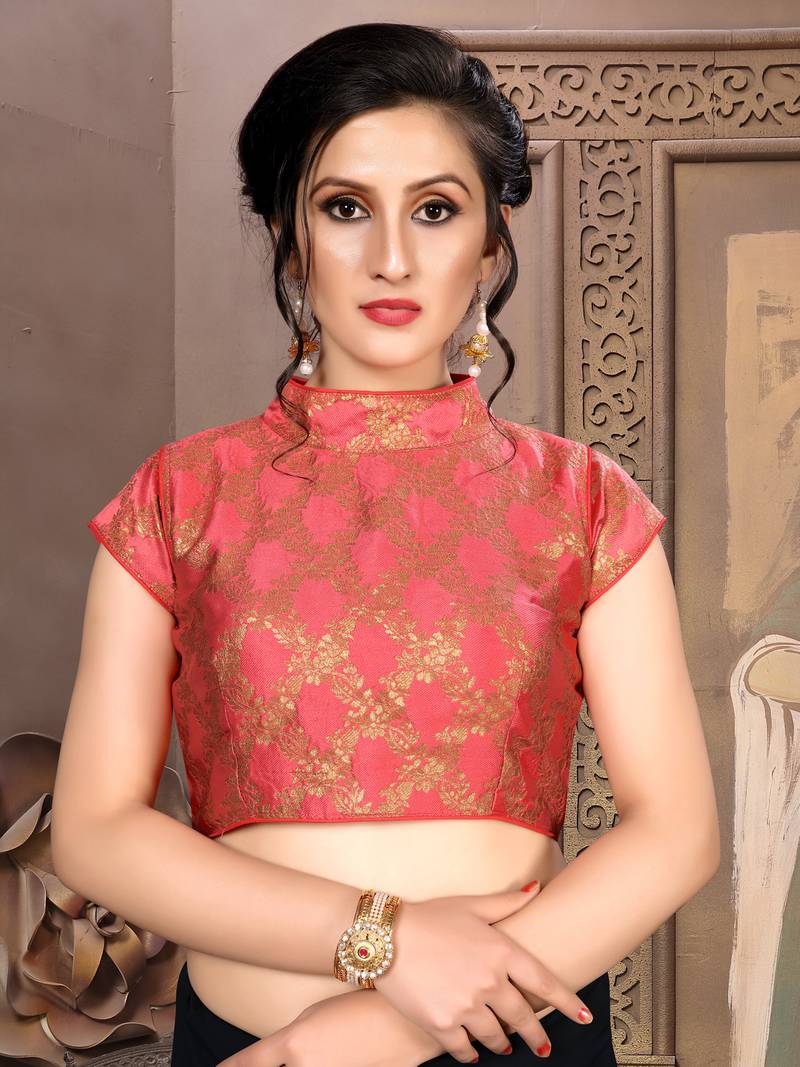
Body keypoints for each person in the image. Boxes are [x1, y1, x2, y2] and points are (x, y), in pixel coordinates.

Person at [51, 21, 720, 1067]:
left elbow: (676, 830)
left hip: (509, 1037)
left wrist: (373, 1025)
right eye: (346, 208)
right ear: (291, 236)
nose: (392, 257)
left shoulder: (583, 502)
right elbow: (96, 829)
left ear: (490, 244)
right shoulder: (179, 497)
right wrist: (383, 941)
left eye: (436, 210)